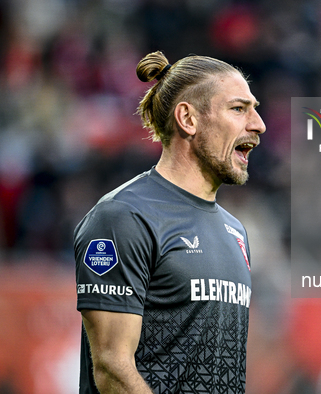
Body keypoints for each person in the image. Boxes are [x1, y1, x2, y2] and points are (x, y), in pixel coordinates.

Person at [74, 50, 266, 393]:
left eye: (254, 109)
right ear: (188, 119)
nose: (258, 124)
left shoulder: (236, 231)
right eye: (238, 109)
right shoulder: (124, 217)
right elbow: (112, 367)